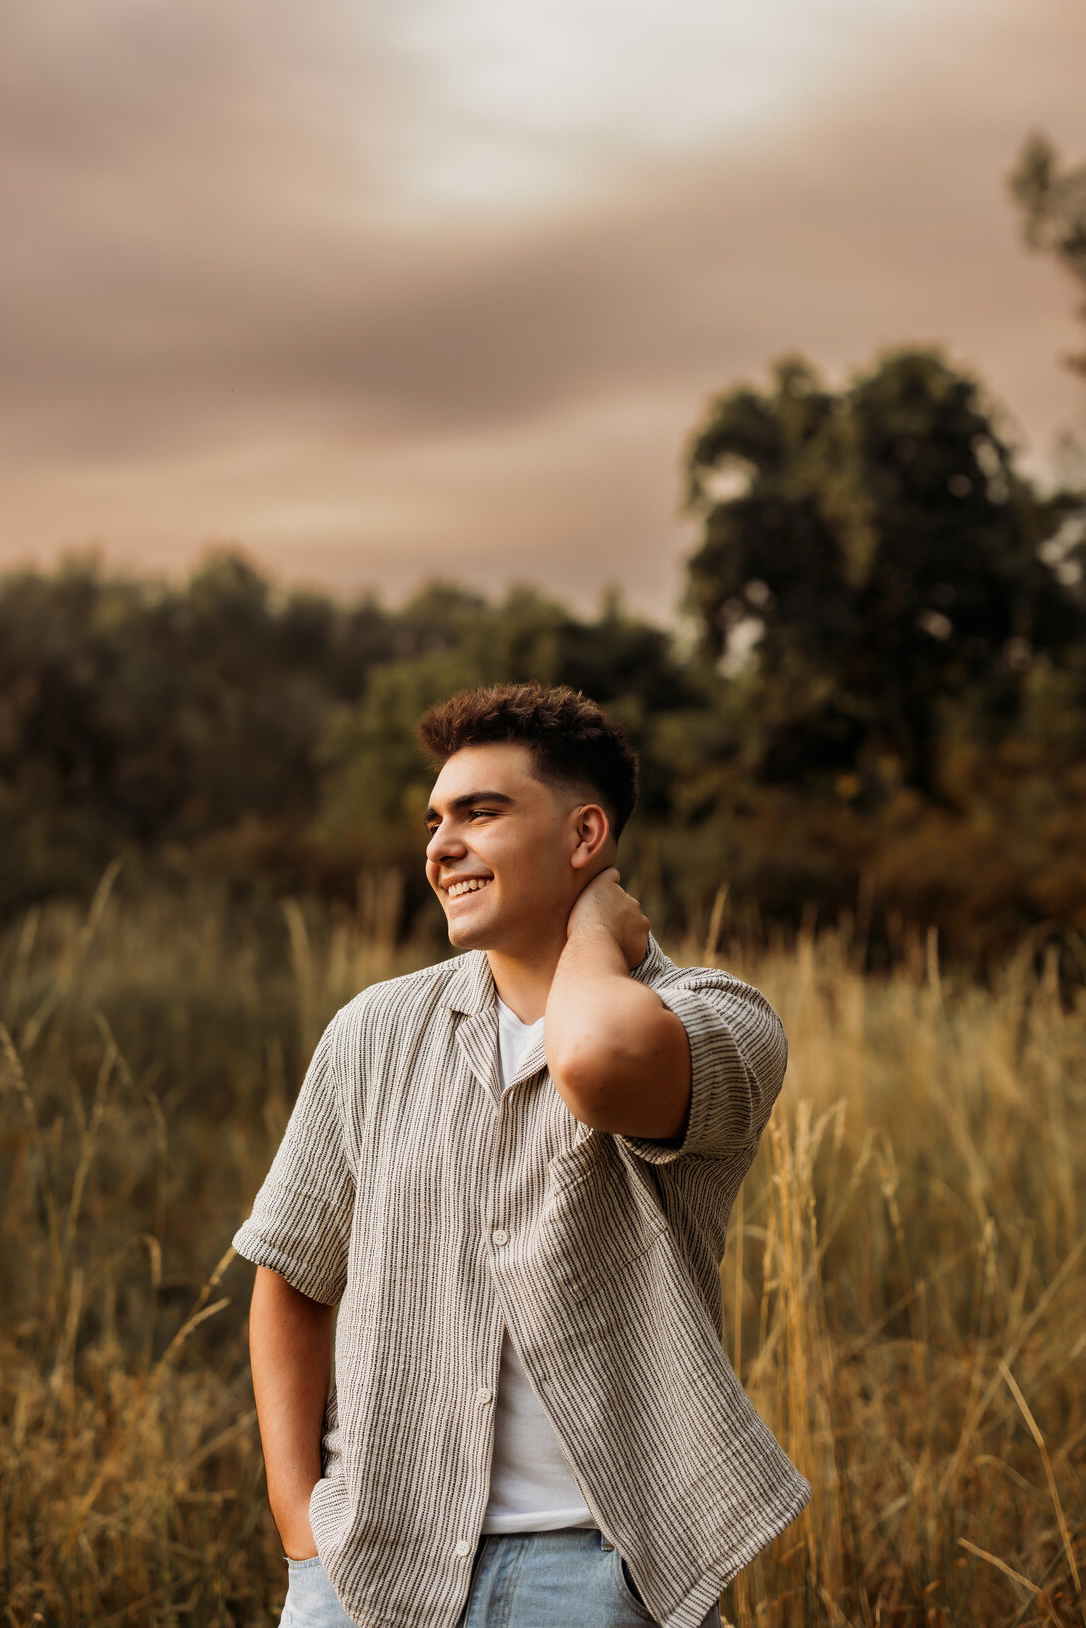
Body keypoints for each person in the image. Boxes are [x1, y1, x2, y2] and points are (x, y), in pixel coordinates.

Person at [234, 683, 810, 1628]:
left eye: (481, 813)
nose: (439, 847)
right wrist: (302, 1532)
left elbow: (596, 1063)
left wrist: (592, 935)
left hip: (594, 1574)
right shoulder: (373, 1033)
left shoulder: (721, 1021)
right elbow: (292, 1273)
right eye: (434, 819)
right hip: (372, 1566)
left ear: (587, 837)